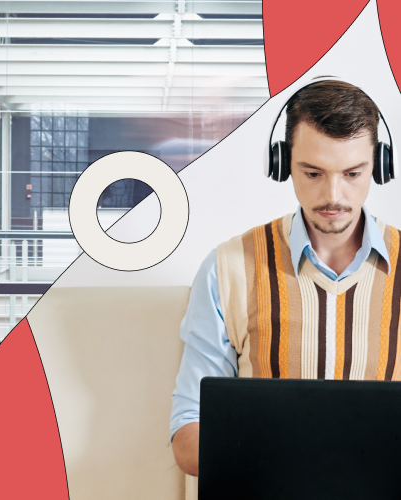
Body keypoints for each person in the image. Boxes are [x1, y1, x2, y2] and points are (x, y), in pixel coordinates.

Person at [170, 78, 401, 477]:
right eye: (313, 173)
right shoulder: (227, 268)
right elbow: (188, 435)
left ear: (379, 167)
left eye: (352, 173)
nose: (334, 195)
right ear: (282, 164)